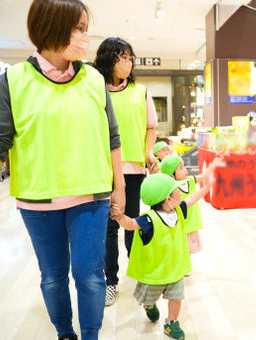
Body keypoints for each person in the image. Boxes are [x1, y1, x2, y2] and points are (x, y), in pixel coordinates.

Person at [0, 1, 125, 339]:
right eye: (79, 28)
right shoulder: (15, 79)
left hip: (92, 196)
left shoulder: (94, 79)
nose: (86, 37)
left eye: (86, 28)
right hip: (38, 201)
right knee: (53, 275)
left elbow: (112, 137)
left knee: (89, 275)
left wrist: (120, 187)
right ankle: (64, 333)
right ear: (52, 27)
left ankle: (90, 335)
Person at [94, 38, 159, 307]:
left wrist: (149, 152)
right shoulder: (95, 90)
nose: (128, 62)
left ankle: (141, 272)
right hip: (102, 169)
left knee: (131, 222)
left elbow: (150, 128)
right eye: (123, 57)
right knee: (108, 227)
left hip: (132, 168)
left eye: (131, 57)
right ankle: (111, 281)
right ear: (109, 59)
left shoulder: (140, 91)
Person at [110, 173, 215, 340]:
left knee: (176, 296)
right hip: (154, 272)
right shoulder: (148, 219)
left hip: (175, 269)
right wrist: (120, 217)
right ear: (168, 199)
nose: (180, 192)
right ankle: (149, 305)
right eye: (176, 190)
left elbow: (192, 198)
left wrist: (207, 187)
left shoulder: (178, 210)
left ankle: (171, 323)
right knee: (150, 296)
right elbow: (130, 225)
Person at [160, 155, 225, 254]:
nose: (185, 170)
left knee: (188, 251)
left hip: (192, 225)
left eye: (184, 167)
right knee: (179, 251)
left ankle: (185, 267)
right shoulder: (170, 189)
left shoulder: (190, 180)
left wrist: (213, 165)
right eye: (181, 168)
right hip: (178, 226)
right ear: (171, 175)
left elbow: (203, 176)